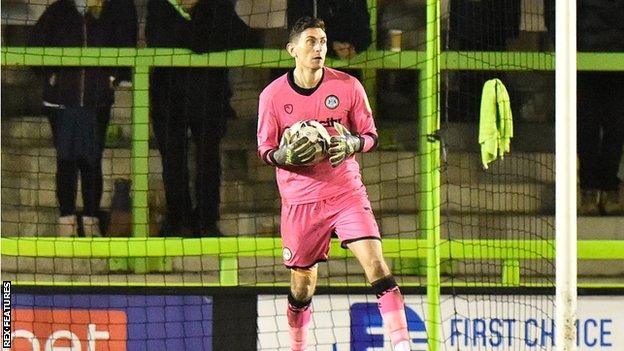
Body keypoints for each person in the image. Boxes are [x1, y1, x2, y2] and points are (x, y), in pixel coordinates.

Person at [257, 17, 412, 351]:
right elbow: (265, 150)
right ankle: (297, 344)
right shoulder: (272, 96)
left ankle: (402, 344)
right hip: (300, 201)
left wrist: (353, 144)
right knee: (302, 285)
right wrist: (285, 154)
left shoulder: (348, 87)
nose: (319, 48)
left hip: (345, 193)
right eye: (311, 41)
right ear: (292, 49)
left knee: (377, 264)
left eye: (324, 41)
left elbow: (370, 136)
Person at [145, 0, 255, 237]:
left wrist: (193, 26)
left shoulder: (217, 7)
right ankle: (178, 220)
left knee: (208, 159)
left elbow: (233, 37)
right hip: (168, 97)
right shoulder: (159, 5)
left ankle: (206, 220)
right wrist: (195, 38)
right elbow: (157, 40)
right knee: (172, 161)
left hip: (208, 95)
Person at [29, 0, 137, 236]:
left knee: (92, 161)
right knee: (65, 161)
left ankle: (91, 220)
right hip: (60, 103)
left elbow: (124, 48)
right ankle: (66, 221)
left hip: (96, 103)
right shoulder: (57, 11)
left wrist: (112, 78)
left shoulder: (108, 14)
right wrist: (51, 75)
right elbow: (34, 47)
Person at [577, 0, 624, 215]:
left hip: (613, 55)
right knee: (591, 123)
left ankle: (602, 188)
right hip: (583, 54)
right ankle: (595, 188)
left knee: (613, 123)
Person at [287, 0, 372, 60]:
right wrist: (330, 46)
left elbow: (365, 33)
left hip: (349, 65)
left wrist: (355, 46)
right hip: (310, 64)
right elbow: (297, 31)